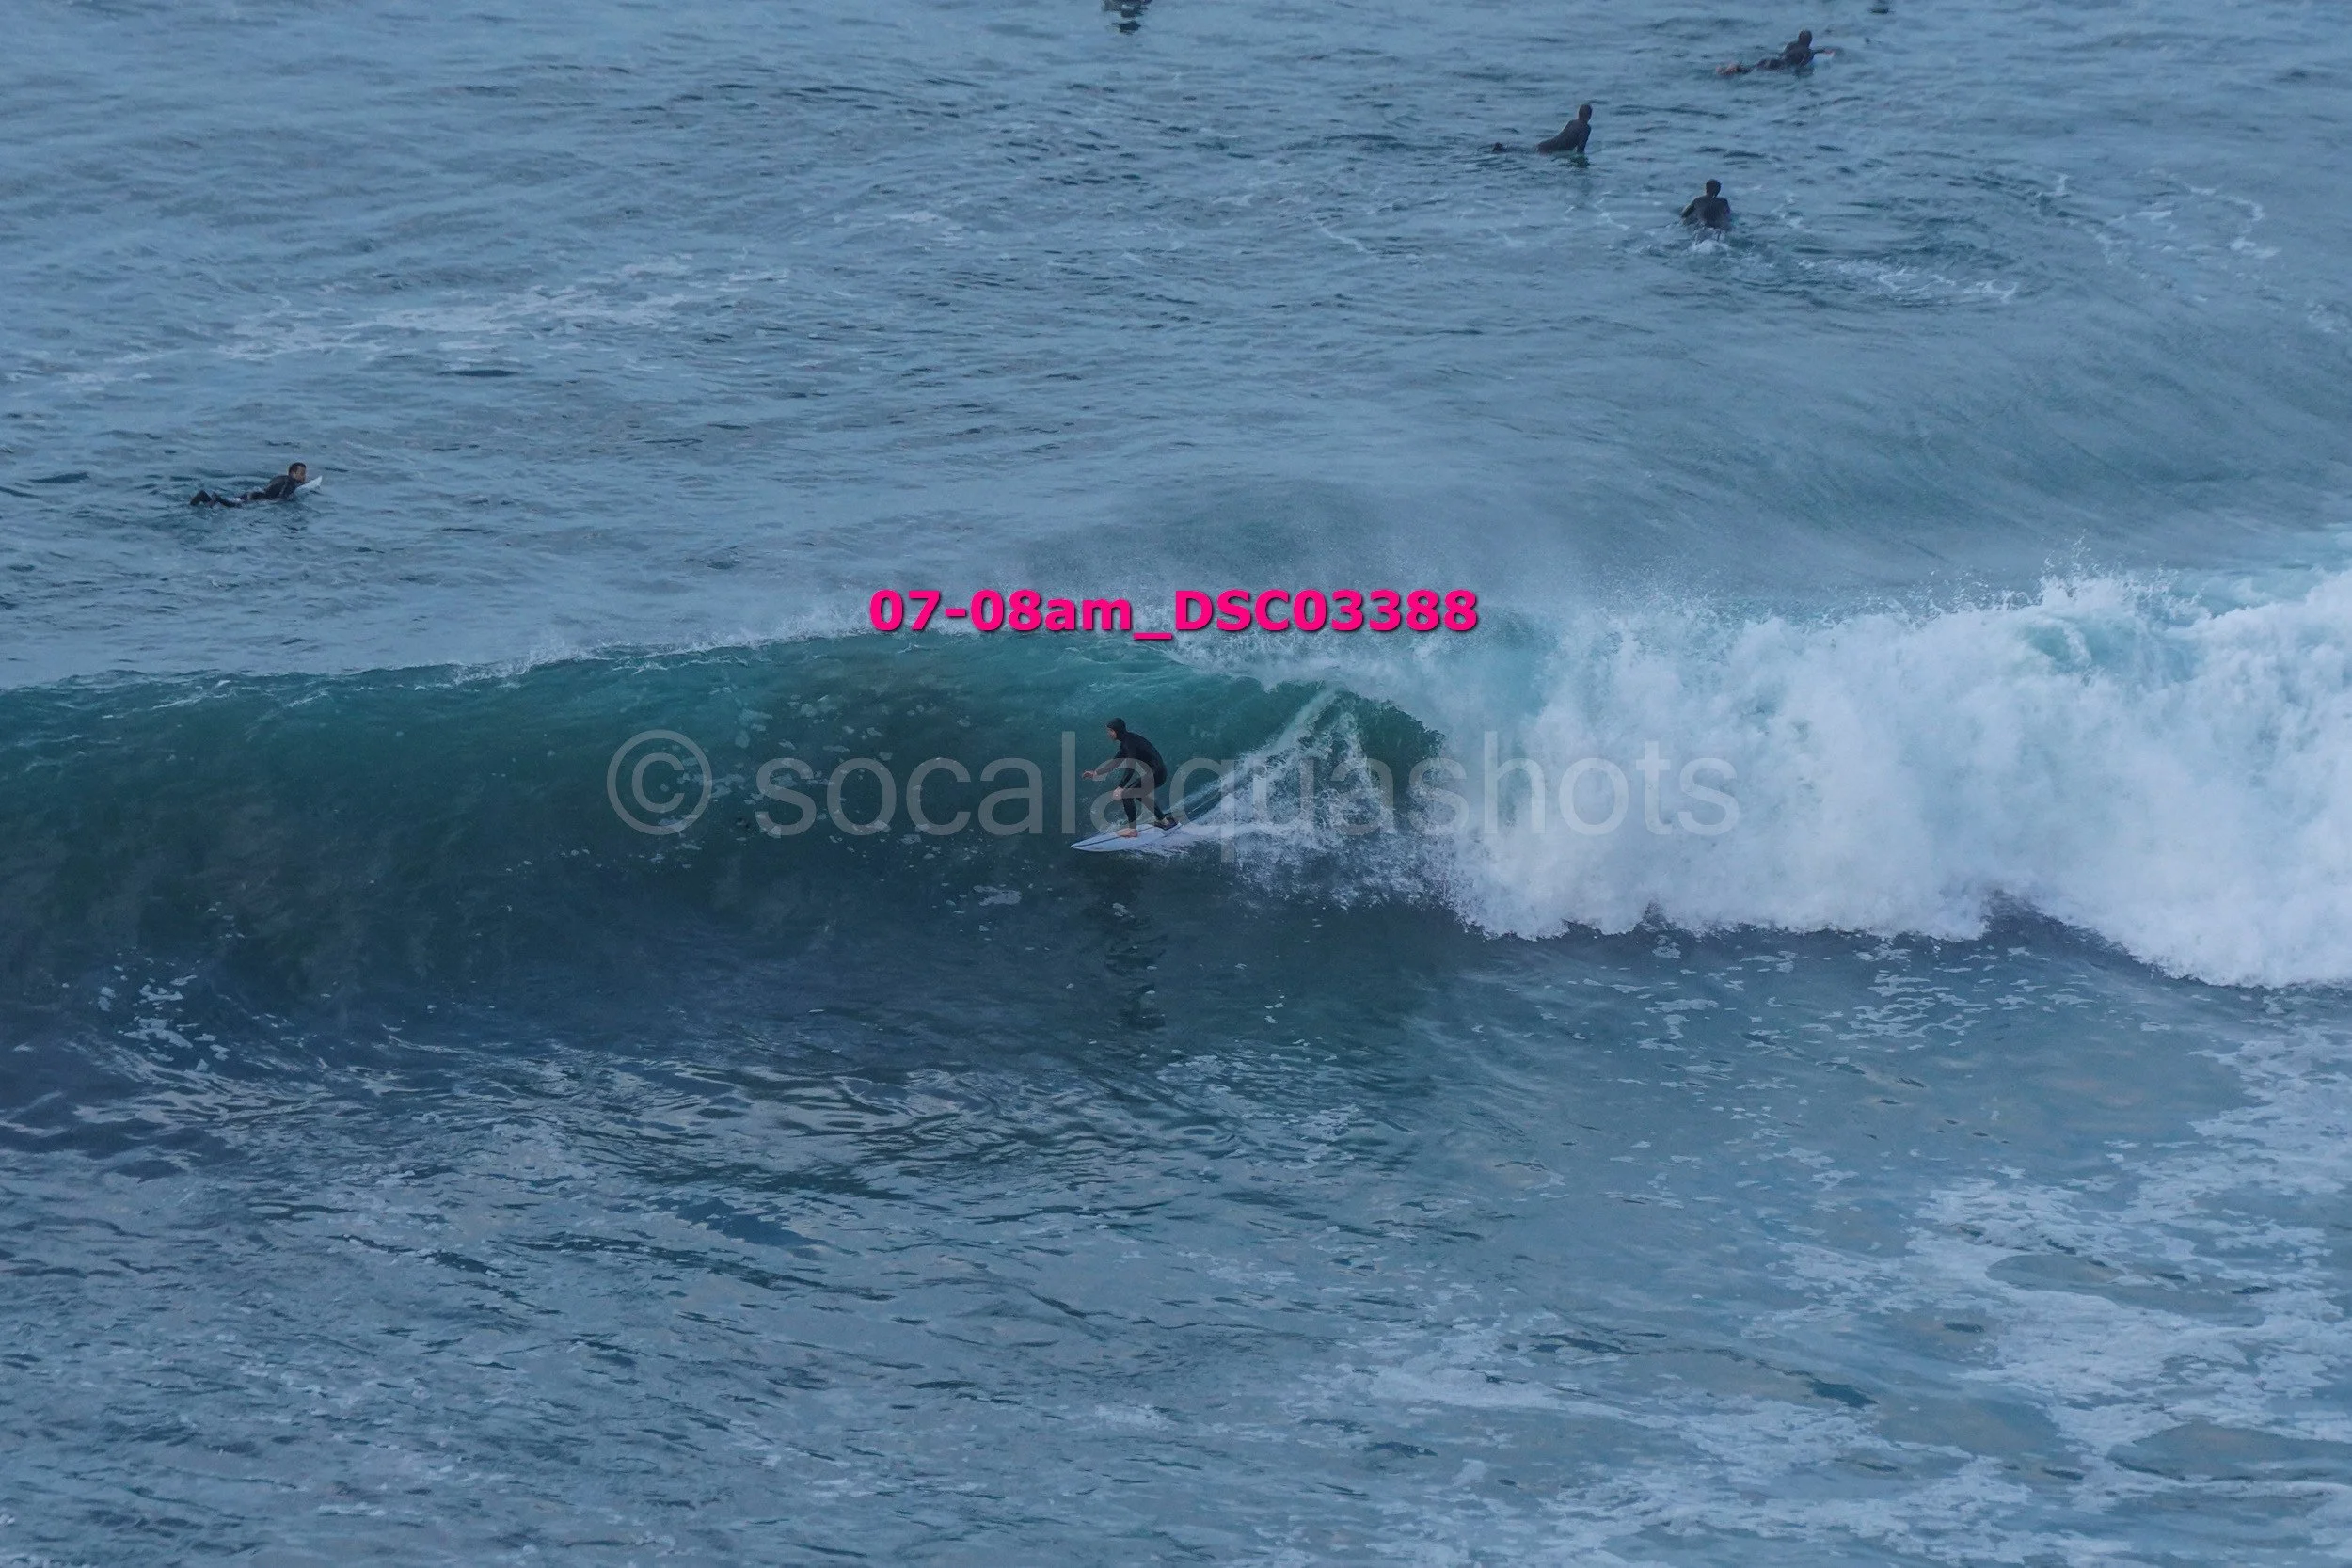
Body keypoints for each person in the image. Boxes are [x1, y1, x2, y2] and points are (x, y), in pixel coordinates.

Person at [1085, 718, 1177, 836]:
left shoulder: (1129, 743)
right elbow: (1116, 762)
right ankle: (1164, 821)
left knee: (1126, 795)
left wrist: (1120, 787)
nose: (1109, 734)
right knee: (1139, 794)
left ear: (1117, 730)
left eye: (1111, 731)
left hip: (1157, 773)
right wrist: (1096, 773)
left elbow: (1131, 765)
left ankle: (1132, 830)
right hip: (1156, 772)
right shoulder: (1127, 741)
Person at [191, 463, 309, 507]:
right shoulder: (291, 482)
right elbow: (280, 498)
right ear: (293, 473)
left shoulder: (280, 478)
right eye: (302, 474)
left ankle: (204, 498)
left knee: (230, 503)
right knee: (234, 507)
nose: (304, 477)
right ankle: (217, 498)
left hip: (253, 493)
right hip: (257, 498)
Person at [1721, 29, 1815, 73]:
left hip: (1772, 60)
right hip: (1781, 66)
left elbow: (1783, 55)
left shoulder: (1791, 44)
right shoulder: (1807, 51)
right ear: (1810, 41)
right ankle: (1736, 69)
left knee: (1754, 67)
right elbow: (1801, 66)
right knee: (1756, 71)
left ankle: (1733, 68)